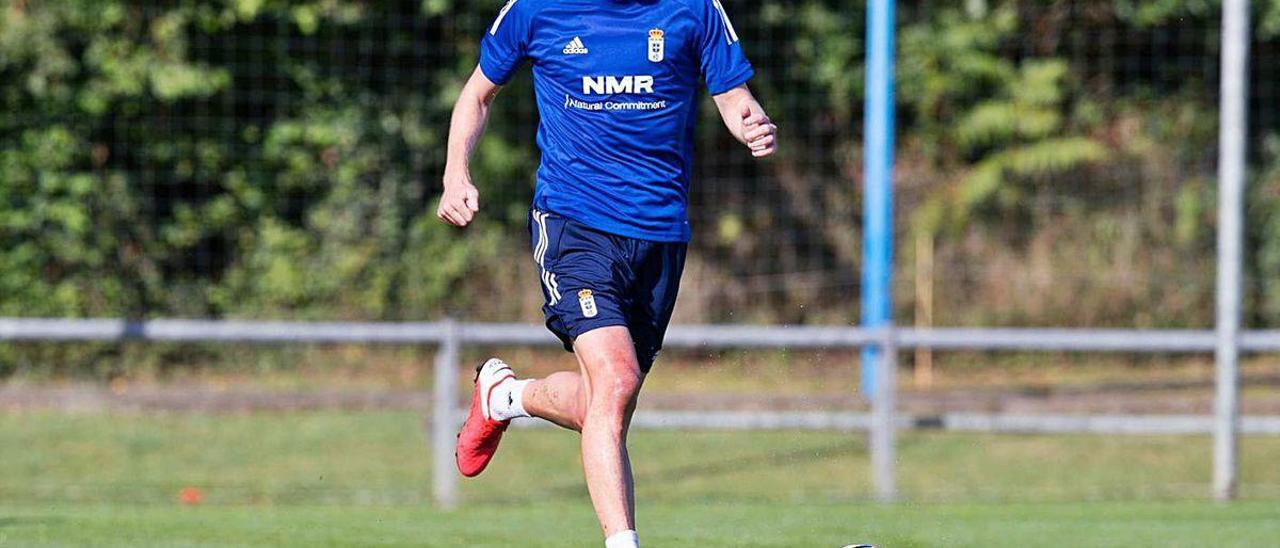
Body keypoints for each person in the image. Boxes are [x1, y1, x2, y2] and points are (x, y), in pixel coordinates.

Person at [439, 0, 775, 545]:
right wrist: (457, 173)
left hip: (660, 236)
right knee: (616, 379)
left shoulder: (694, 9)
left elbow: (734, 97)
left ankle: (505, 395)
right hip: (575, 225)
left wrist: (752, 124)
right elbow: (477, 93)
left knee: (608, 403)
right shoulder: (536, 10)